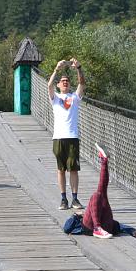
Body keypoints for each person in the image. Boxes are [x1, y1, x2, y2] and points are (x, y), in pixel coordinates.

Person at [75, 143, 136, 239]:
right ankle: (104, 161)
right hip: (89, 227)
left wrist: (132, 230)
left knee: (99, 194)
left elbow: (121, 226)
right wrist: (76, 216)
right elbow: (67, 228)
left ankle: (104, 160)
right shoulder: (80, 220)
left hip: (106, 226)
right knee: (100, 193)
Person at [48, 57, 85, 210]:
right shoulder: (55, 98)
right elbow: (49, 85)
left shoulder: (74, 97)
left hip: (72, 137)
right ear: (58, 85)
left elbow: (82, 83)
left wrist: (79, 68)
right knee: (61, 169)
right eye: (62, 81)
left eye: (67, 81)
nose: (65, 82)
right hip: (58, 138)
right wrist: (56, 69)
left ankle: (75, 199)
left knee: (74, 169)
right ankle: (63, 199)